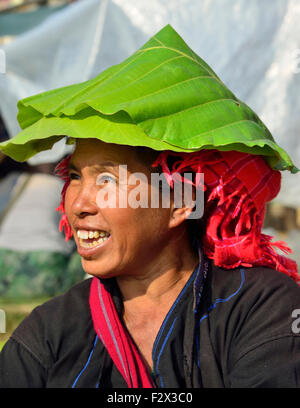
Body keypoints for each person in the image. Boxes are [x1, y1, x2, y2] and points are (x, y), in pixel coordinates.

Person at [0, 24, 299, 388]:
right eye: (75, 176)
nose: (77, 203)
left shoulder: (262, 309)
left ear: (179, 202)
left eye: (107, 180)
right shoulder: (49, 334)